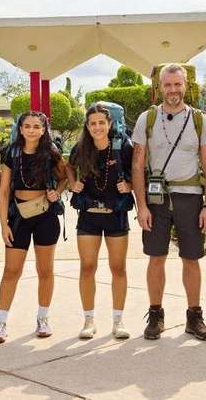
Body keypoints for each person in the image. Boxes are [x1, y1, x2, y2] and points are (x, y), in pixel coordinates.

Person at [131, 63, 206, 341]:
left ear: (185, 86)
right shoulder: (147, 119)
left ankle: (194, 317)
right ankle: (156, 315)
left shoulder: (199, 120)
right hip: (156, 199)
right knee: (156, 257)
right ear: (160, 88)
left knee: (191, 258)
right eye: (167, 85)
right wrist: (141, 206)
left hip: (190, 198)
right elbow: (137, 165)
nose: (173, 90)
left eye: (177, 84)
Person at [0, 111, 67, 343]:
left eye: (36, 126)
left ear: (43, 130)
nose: (32, 130)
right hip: (18, 217)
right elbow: (4, 191)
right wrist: (3, 224)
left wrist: (57, 192)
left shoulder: (51, 152)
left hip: (46, 216)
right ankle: (1, 322)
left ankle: (43, 318)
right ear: (21, 129)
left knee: (45, 270)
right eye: (27, 126)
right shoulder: (11, 152)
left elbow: (65, 177)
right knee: (11, 271)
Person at [66, 103, 133, 340]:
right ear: (87, 126)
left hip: (116, 214)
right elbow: (67, 166)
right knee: (87, 267)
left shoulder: (123, 146)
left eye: (101, 123)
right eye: (92, 123)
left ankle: (118, 320)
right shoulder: (81, 147)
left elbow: (138, 171)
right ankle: (89, 321)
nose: (97, 127)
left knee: (118, 268)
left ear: (110, 123)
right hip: (89, 216)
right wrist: (73, 183)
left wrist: (130, 185)